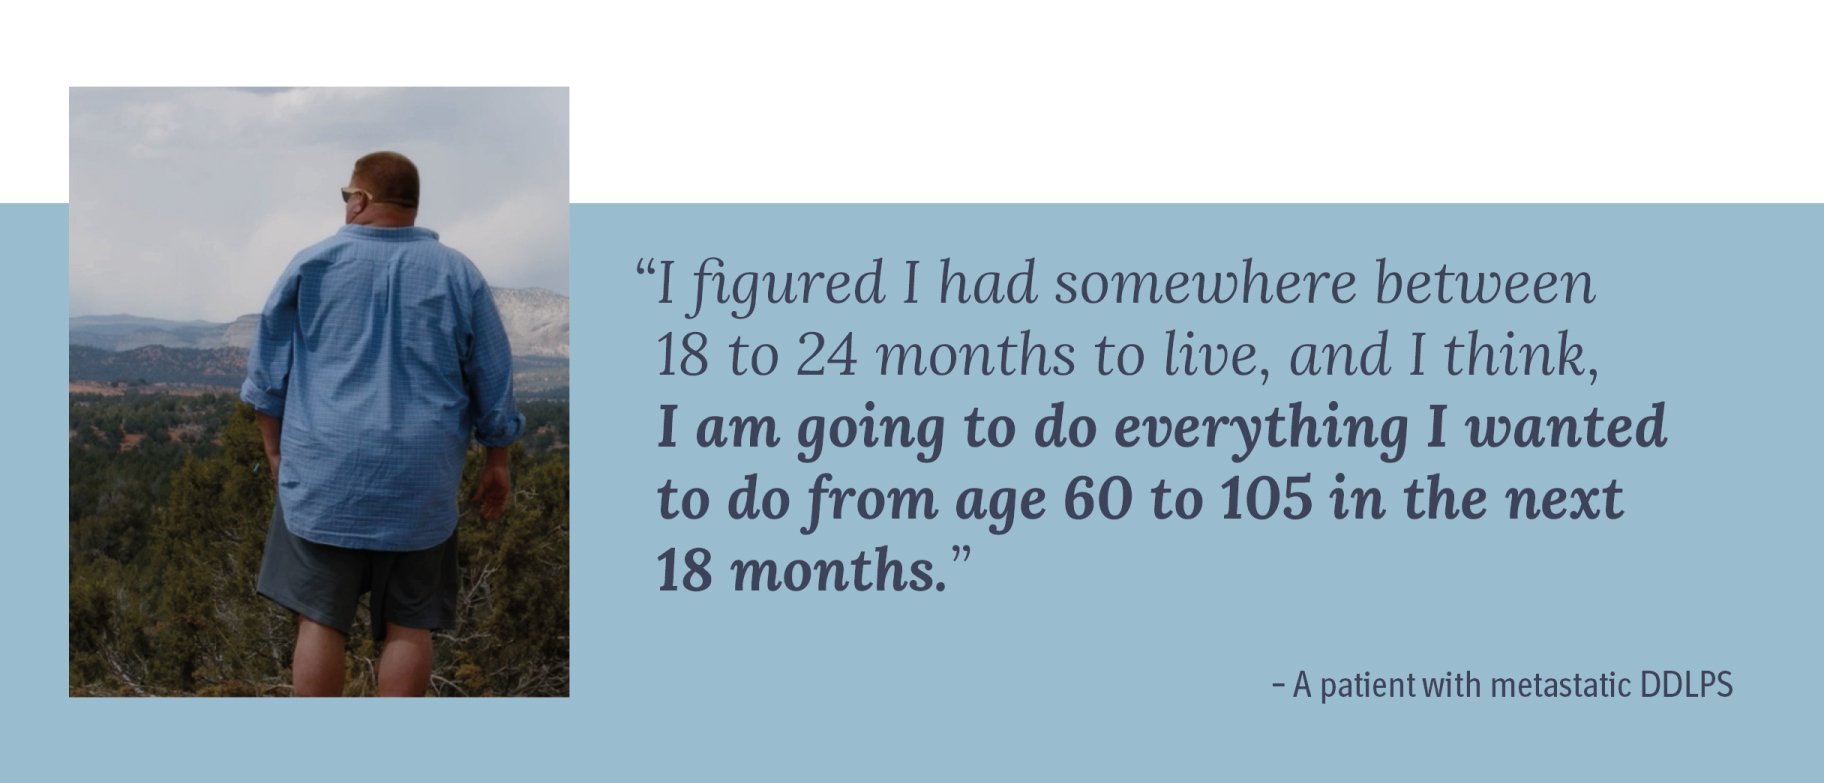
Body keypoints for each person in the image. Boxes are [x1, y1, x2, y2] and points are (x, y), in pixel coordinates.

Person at [241, 151, 524, 697]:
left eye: (346, 194)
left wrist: (275, 453)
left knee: (319, 620)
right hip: (420, 484)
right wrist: (497, 460)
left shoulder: (311, 264)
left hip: (324, 477)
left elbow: (266, 374)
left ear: (361, 200)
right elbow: (493, 374)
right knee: (410, 625)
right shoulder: (459, 273)